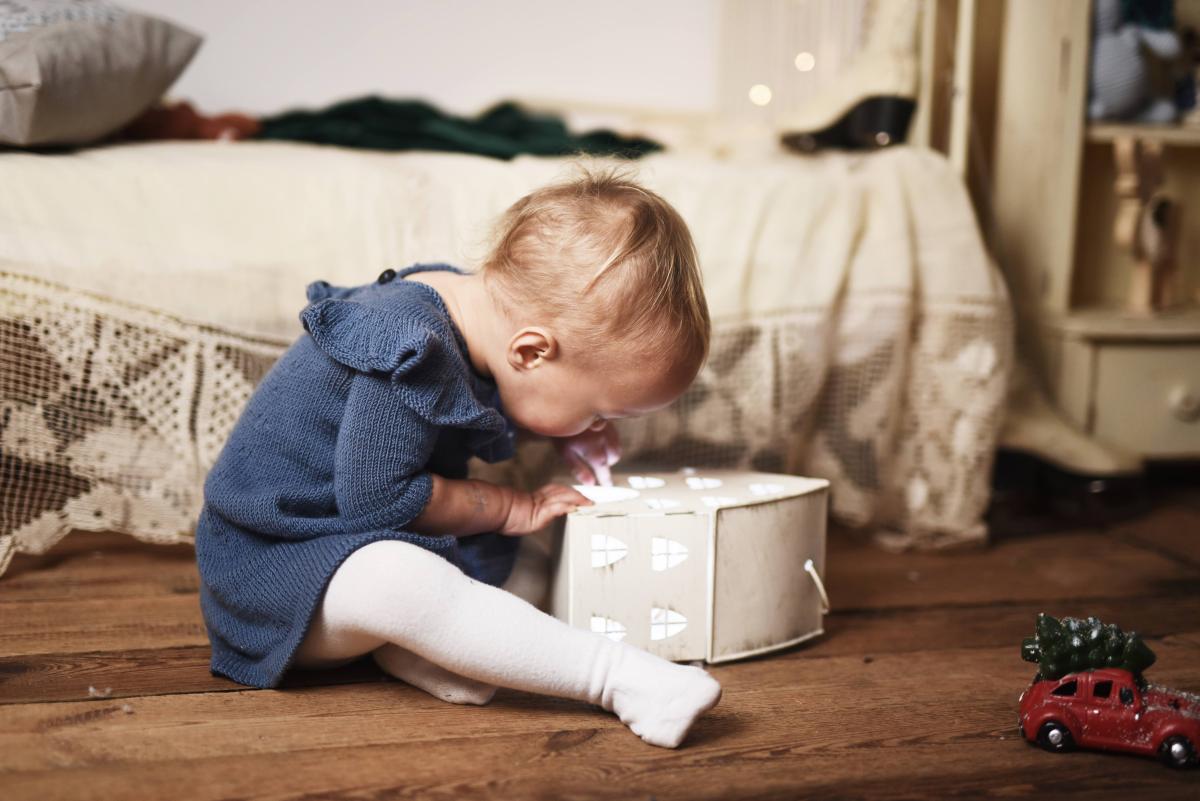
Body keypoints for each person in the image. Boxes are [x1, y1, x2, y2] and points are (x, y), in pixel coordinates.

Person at [195, 163, 721, 748]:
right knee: (402, 579)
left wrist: (566, 434)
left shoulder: (470, 309)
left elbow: (485, 406)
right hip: (274, 575)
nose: (600, 427)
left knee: (526, 552)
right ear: (531, 352)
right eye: (599, 412)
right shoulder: (408, 347)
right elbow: (378, 501)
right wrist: (508, 507)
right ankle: (617, 679)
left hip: (345, 546)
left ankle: (431, 649)